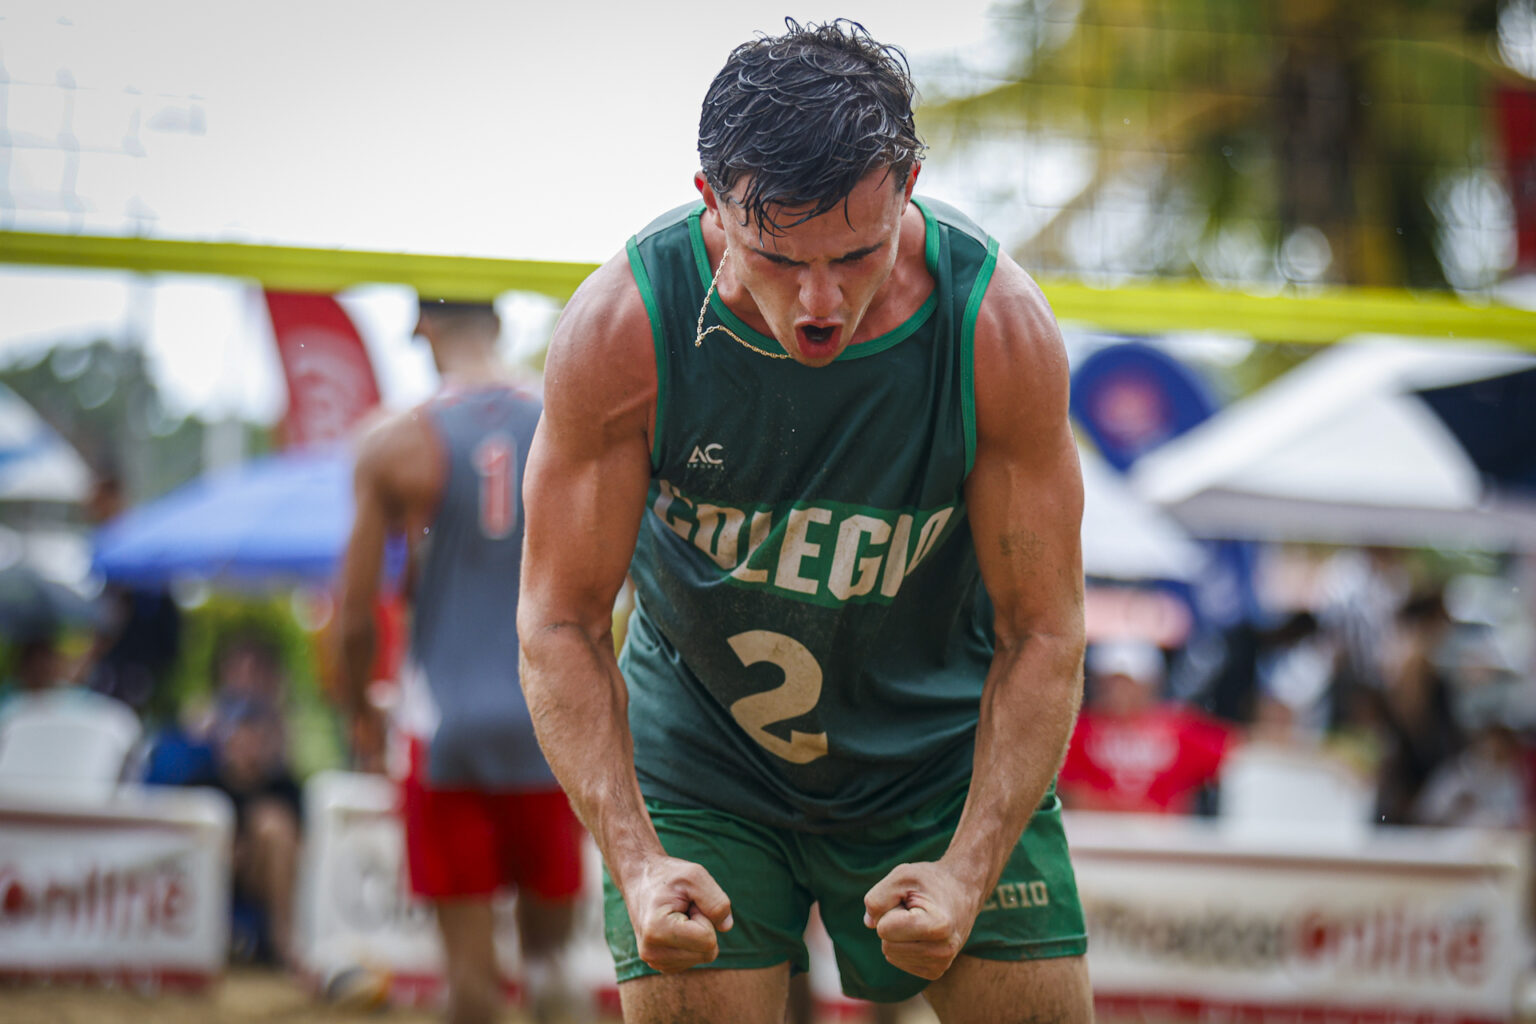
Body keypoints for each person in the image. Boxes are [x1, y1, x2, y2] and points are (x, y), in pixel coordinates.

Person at [518, 19, 1090, 1023]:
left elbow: (1044, 631)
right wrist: (638, 859)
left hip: (938, 762)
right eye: (780, 259)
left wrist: (968, 865)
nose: (821, 302)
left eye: (857, 255)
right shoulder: (624, 328)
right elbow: (559, 622)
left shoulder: (995, 325)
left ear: (908, 185)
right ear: (714, 203)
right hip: (705, 763)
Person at [337, 299, 587, 1024]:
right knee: (551, 967)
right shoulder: (564, 419)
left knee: (470, 982)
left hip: (444, 727)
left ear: (423, 331)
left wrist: (359, 709)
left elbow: (355, 615)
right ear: (500, 326)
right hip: (547, 720)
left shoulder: (393, 442)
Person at [1057, 640, 1235, 815]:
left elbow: (1235, 752)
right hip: (1091, 836)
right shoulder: (1074, 731)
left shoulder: (1180, 730)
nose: (1118, 690)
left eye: (1128, 682)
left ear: (1150, 684)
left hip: (1164, 840)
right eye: (1110, 681)